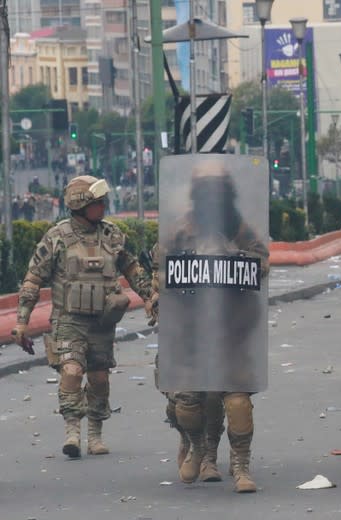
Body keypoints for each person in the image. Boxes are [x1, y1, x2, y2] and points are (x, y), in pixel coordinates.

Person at [11, 175, 156, 458]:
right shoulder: (57, 237)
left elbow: (132, 269)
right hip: (68, 321)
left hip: (102, 322)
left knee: (100, 379)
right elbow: (32, 280)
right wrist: (21, 322)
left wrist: (150, 297)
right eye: (98, 202)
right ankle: (72, 431)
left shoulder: (112, 235)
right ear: (81, 204)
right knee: (71, 372)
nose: (103, 206)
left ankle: (95, 434)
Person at [161, 160, 269, 493]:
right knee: (188, 405)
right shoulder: (180, 231)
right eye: (205, 191)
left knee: (237, 404)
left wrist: (234, 257)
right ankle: (198, 447)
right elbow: (160, 273)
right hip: (191, 334)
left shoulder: (240, 230)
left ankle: (240, 465)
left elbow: (262, 263)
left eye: (218, 191)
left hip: (231, 332)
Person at [149, 244, 227, 483]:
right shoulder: (173, 240)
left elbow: (255, 268)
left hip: (219, 333)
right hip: (183, 334)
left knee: (214, 396)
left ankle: (207, 455)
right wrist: (155, 300)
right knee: (179, 405)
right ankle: (191, 438)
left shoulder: (230, 236)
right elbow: (157, 282)